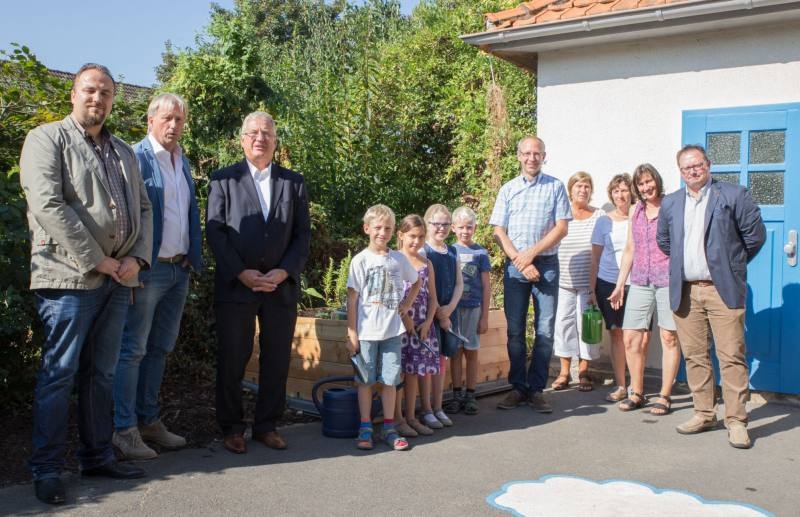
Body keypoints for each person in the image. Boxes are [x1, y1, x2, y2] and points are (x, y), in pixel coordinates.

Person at [19, 63, 152, 504]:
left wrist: (136, 257)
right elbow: (48, 205)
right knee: (60, 375)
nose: (98, 99)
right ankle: (47, 468)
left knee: (102, 374)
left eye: (107, 93)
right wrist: (99, 259)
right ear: (73, 94)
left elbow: (146, 209)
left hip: (118, 279)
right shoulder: (47, 139)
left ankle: (96, 455)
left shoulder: (123, 152)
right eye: (90, 91)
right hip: (69, 278)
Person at [206, 111, 311, 455]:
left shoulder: (293, 183)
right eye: (252, 133)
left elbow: (302, 234)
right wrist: (240, 272)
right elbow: (215, 232)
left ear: (275, 140)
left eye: (266, 133)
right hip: (237, 286)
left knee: (277, 358)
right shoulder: (223, 180)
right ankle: (232, 427)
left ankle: (267, 425)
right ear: (241, 139)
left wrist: (284, 271)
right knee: (234, 357)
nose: (259, 138)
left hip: (280, 286)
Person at [112, 93, 203, 460]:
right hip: (147, 270)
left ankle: (149, 421)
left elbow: (188, 213)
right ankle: (124, 429)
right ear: (150, 120)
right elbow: (123, 216)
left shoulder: (183, 161)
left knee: (160, 348)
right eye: (167, 118)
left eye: (179, 120)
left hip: (178, 269)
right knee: (132, 349)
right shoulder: (135, 158)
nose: (173, 125)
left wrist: (191, 259)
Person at [657, 144, 766, 449]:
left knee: (731, 355)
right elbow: (665, 241)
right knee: (695, 356)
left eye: (698, 165)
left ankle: (736, 421)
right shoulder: (671, 203)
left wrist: (731, 266)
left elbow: (755, 237)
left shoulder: (733, 195)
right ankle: (704, 413)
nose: (693, 170)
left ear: (708, 165)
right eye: (686, 167)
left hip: (722, 290)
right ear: (680, 172)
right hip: (687, 290)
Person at [490, 136, 571, 413]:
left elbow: (561, 228)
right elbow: (499, 230)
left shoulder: (556, 187)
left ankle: (536, 389)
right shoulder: (508, 189)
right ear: (518, 156)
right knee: (514, 330)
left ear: (544, 156)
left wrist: (531, 254)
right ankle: (517, 387)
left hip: (547, 265)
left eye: (537, 153)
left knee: (545, 331)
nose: (531, 158)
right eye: (526, 153)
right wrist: (520, 260)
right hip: (515, 267)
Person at [346, 205, 419, 451]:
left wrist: (406, 304)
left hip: (392, 333)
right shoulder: (360, 260)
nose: (382, 232)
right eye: (377, 227)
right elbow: (352, 298)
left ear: (393, 231)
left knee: (390, 380)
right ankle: (365, 426)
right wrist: (352, 333)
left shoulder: (398, 258)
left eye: (388, 228)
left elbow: (416, 281)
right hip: (367, 333)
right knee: (365, 381)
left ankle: (389, 426)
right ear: (367, 229)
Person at [609, 164, 680, 416]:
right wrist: (620, 285)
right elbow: (630, 248)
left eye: (649, 182)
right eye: (641, 184)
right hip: (639, 279)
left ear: (657, 181)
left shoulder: (671, 206)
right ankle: (636, 392)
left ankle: (664, 396)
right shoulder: (635, 210)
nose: (646, 187)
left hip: (668, 280)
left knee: (669, 337)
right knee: (630, 337)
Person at [589, 174, 647, 402]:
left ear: (631, 192)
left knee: (641, 338)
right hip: (607, 283)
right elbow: (595, 257)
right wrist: (592, 289)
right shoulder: (604, 221)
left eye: (624, 190)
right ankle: (621, 385)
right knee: (616, 333)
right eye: (616, 191)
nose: (620, 195)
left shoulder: (641, 216)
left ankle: (637, 386)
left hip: (639, 283)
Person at [551, 172, 603, 392]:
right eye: (579, 186)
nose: (583, 190)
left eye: (587, 186)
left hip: (588, 282)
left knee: (587, 326)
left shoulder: (599, 216)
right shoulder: (562, 215)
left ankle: (583, 371)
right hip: (563, 281)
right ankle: (564, 372)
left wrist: (594, 286)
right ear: (570, 190)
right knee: (563, 324)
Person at [395, 214, 440, 436]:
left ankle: (412, 417)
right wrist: (406, 319)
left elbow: (433, 298)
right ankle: (398, 418)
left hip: (421, 326)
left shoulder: (426, 264)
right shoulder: (394, 260)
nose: (417, 241)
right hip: (400, 326)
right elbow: (392, 296)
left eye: (421, 237)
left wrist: (428, 322)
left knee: (413, 372)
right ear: (401, 235)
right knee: (398, 372)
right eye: (412, 236)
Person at [444, 206, 491, 415]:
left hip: (473, 309)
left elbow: (486, 286)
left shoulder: (480, 253)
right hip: (454, 309)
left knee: (471, 352)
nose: (465, 231)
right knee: (455, 352)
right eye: (461, 227)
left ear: (475, 227)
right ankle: (456, 395)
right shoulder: (450, 251)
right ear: (453, 227)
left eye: (469, 227)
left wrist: (485, 317)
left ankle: (471, 394)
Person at [423, 204, 463, 428]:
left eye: (446, 224)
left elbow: (459, 284)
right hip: (430, 316)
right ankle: (427, 409)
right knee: (428, 361)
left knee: (441, 361)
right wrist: (439, 312)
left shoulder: (453, 251)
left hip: (449, 313)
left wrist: (449, 310)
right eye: (436, 224)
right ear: (428, 223)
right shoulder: (424, 250)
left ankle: (438, 407)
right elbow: (426, 286)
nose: (441, 228)